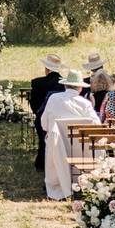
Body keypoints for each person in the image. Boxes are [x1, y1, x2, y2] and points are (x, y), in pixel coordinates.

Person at [40, 69, 100, 200]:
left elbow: (44, 124)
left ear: (65, 85)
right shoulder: (85, 104)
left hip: (57, 149)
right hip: (81, 150)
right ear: (79, 88)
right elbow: (96, 126)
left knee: (49, 138)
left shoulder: (53, 99)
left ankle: (58, 185)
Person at [30, 54, 67, 171]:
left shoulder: (37, 82)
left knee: (42, 141)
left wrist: (38, 113)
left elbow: (33, 103)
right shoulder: (65, 83)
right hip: (60, 117)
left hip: (41, 116)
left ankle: (42, 163)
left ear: (47, 68)